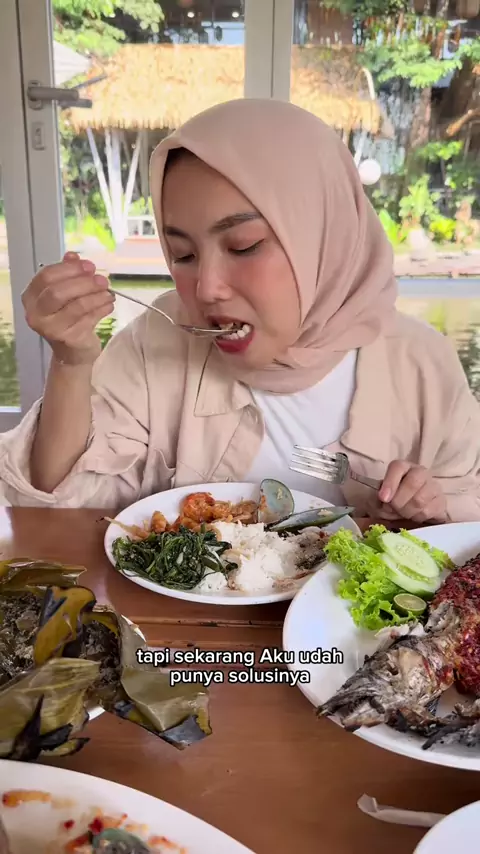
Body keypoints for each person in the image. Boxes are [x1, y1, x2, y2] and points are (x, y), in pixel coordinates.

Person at [1, 98, 479, 525]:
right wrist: (71, 362)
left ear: (323, 237)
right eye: (183, 255)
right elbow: (55, 508)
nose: (206, 288)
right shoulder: (155, 343)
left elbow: (468, 504)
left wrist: (433, 509)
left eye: (243, 246)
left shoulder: (423, 366)